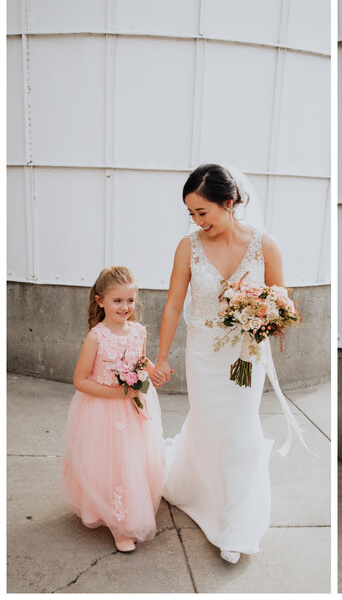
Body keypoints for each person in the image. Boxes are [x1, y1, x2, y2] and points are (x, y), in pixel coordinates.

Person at [150, 164, 306, 564]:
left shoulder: (265, 245)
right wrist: (163, 355)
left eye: (204, 213)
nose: (198, 222)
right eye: (192, 214)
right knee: (208, 425)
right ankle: (200, 489)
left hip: (245, 356)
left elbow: (284, 304)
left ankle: (238, 525)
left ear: (230, 202)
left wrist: (262, 317)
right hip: (202, 354)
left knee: (241, 430)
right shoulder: (189, 246)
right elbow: (172, 304)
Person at [61, 266, 165, 553]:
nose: (125, 307)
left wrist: (154, 370)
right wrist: (118, 392)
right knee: (106, 461)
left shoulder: (139, 331)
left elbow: (140, 360)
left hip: (134, 407)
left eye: (130, 300)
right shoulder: (97, 337)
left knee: (132, 459)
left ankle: (130, 510)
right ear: (100, 301)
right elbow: (80, 380)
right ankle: (118, 523)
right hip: (103, 409)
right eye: (117, 301)